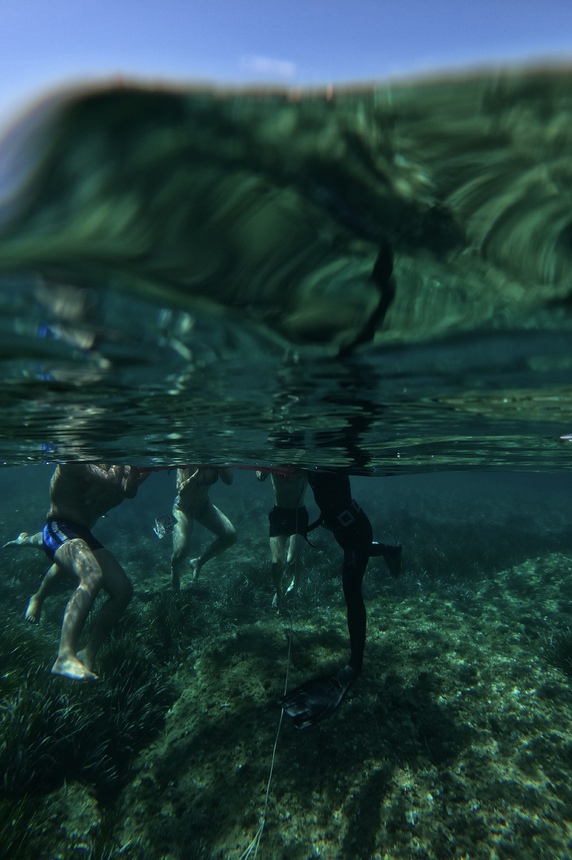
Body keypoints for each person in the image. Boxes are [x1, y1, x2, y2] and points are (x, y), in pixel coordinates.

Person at [279, 469, 402, 729]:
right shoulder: (315, 460)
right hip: (347, 529)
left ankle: (354, 667)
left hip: (355, 530)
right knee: (359, 553)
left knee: (352, 593)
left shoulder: (328, 458)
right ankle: (392, 550)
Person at [4, 464, 149, 681]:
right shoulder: (76, 458)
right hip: (59, 525)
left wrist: (133, 479)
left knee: (123, 590)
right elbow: (106, 478)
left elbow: (126, 490)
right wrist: (121, 470)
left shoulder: (114, 469)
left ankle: (88, 652)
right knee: (90, 573)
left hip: (82, 532)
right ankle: (63, 656)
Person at [170, 466, 237, 590]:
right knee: (181, 551)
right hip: (182, 507)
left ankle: (199, 562)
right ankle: (174, 568)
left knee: (230, 536)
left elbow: (229, 481)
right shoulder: (186, 459)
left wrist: (219, 463)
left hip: (203, 504)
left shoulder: (214, 456)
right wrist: (198, 472)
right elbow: (182, 492)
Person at [256, 467, 309, 609]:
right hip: (278, 514)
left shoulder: (302, 461)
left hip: (298, 514)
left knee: (292, 560)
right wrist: (266, 464)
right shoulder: (275, 459)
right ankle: (278, 591)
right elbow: (260, 477)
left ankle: (295, 582)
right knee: (275, 562)